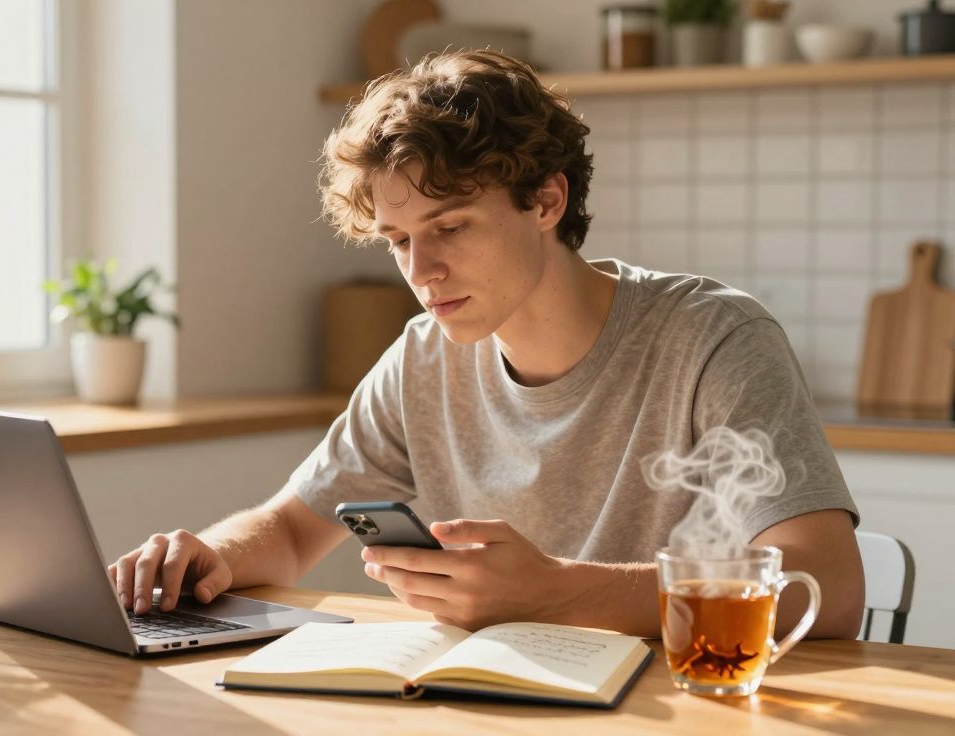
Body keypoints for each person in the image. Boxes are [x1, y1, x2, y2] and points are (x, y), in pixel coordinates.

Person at [109, 50, 864, 638]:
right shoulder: (422, 357)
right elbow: (288, 529)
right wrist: (208, 558)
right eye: (397, 240)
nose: (421, 271)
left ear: (545, 199)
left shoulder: (712, 337)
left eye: (450, 228)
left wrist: (558, 591)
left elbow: (827, 587)